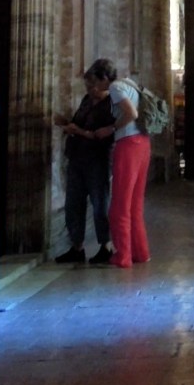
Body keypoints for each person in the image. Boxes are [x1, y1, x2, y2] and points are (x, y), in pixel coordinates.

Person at [52, 59, 116, 265]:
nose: (90, 89)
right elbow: (78, 122)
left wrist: (79, 131)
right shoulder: (87, 100)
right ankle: (76, 247)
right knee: (74, 203)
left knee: (100, 203)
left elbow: (104, 134)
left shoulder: (112, 104)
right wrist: (66, 123)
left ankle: (105, 246)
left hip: (97, 159)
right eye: (88, 85)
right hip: (77, 157)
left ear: (105, 81)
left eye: (93, 84)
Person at [108, 70, 150, 268]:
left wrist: (113, 128)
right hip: (143, 142)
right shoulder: (130, 83)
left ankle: (123, 255)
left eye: (93, 83)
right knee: (135, 203)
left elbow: (132, 113)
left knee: (120, 204)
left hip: (128, 144)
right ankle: (140, 252)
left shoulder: (114, 87)